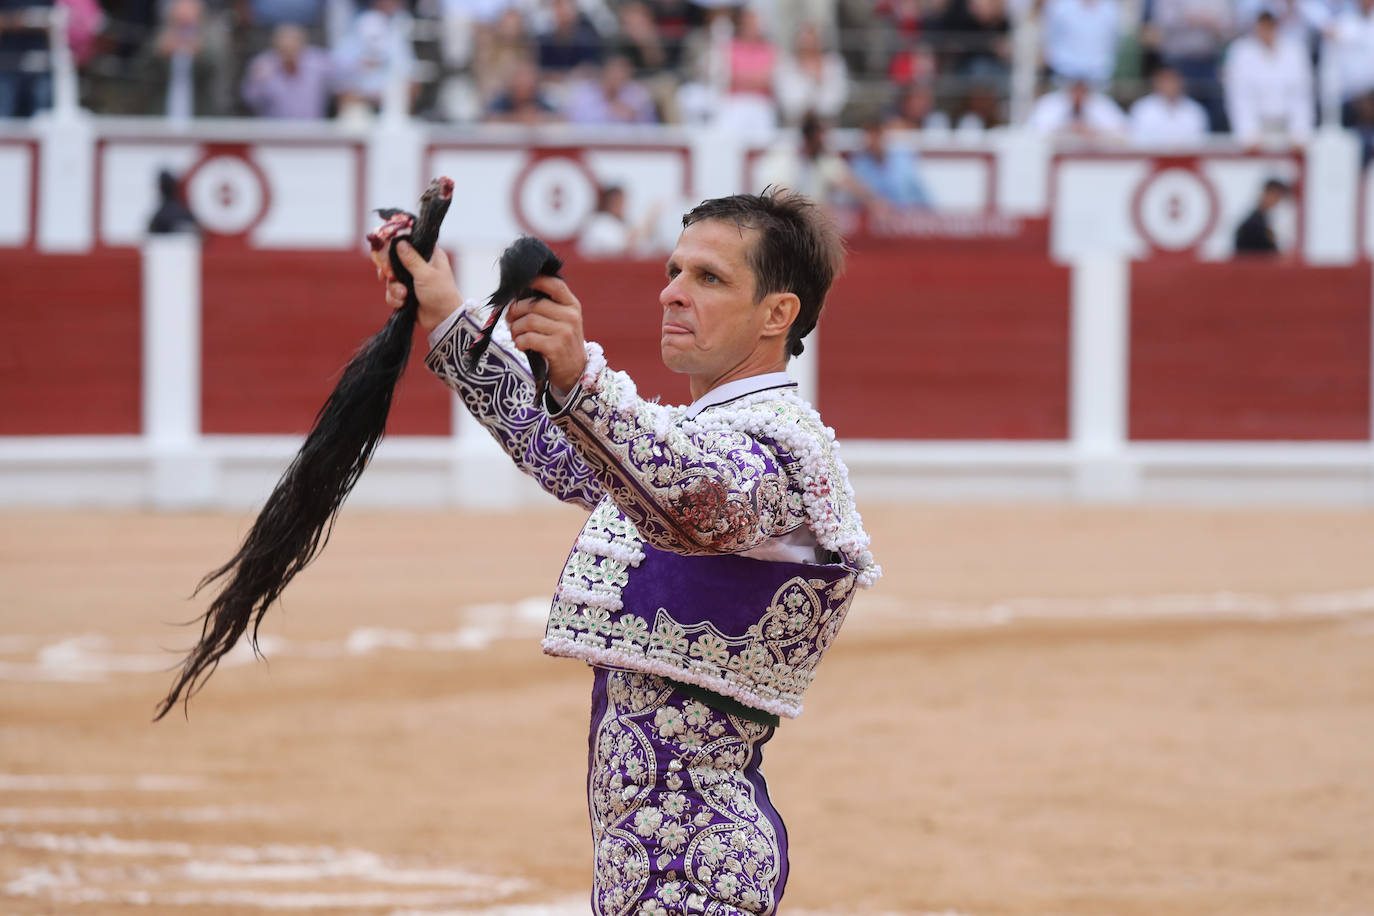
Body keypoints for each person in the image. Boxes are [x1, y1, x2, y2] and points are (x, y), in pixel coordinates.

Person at [379, 188, 879, 915]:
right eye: (675, 272)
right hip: (658, 861)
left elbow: (697, 500)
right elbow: (564, 449)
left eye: (709, 278)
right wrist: (444, 310)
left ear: (778, 313)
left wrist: (581, 378)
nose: (672, 294)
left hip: (698, 869)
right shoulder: (695, 434)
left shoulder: (784, 447)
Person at [1222, 9, 1312, 148]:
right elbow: (1239, 96)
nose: (1266, 32)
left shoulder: (1295, 51)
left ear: (1276, 27)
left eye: (1270, 27)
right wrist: (1247, 133)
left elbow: (1302, 95)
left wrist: (1300, 131)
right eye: (1263, 27)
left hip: (1288, 129)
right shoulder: (1241, 52)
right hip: (1256, 130)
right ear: (1256, 28)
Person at [241, 23, 332, 118]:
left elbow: (340, 86)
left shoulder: (320, 62)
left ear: (303, 44)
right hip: (273, 129)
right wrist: (259, 81)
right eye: (284, 49)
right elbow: (250, 100)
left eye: (293, 46)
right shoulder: (262, 64)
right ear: (275, 46)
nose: (289, 52)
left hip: (315, 128)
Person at [849, 117, 934, 208]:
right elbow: (857, 197)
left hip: (907, 214)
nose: (874, 142)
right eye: (870, 138)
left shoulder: (903, 160)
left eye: (877, 136)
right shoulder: (859, 164)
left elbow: (918, 192)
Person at [1128, 64, 1210, 144]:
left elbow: (1201, 142)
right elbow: (1136, 141)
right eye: (1165, 81)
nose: (1170, 85)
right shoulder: (1142, 108)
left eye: (1173, 80)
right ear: (1156, 82)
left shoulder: (1195, 110)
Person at [1028, 78, 1128, 139]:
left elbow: (1122, 130)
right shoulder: (1049, 103)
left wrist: (1093, 131)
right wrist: (1068, 129)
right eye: (1075, 90)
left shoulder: (1102, 104)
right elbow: (1035, 131)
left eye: (1082, 91)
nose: (1078, 95)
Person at [1233, 177, 1290, 254]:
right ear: (1265, 193)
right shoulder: (1253, 224)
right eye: (1274, 195)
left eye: (1278, 196)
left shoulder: (1263, 221)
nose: (1276, 200)